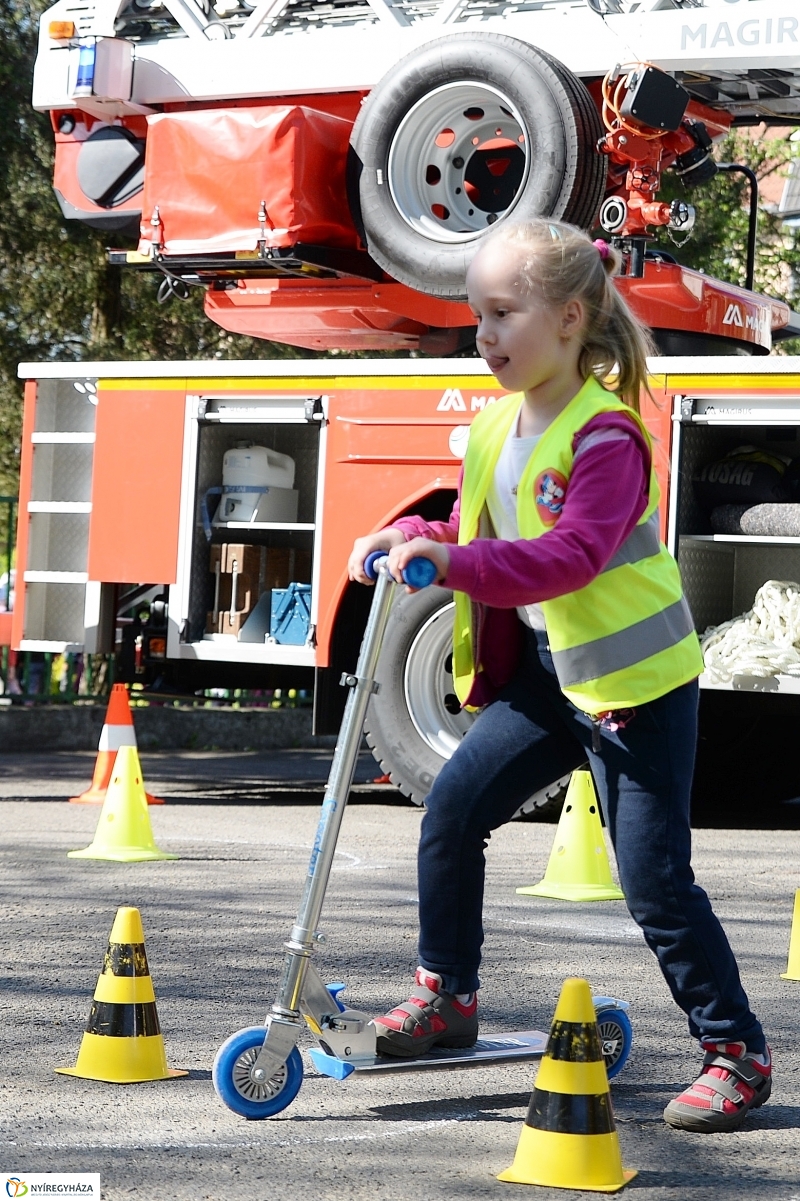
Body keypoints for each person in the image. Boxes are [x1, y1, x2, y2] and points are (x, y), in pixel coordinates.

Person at [348, 217, 771, 1134]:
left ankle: (736, 1050)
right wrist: (409, 536)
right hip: (552, 676)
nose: (484, 334)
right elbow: (473, 531)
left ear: (571, 318)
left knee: (654, 882)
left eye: (504, 313)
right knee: (452, 811)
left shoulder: (606, 436)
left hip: (637, 686)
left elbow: (569, 557)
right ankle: (446, 995)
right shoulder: (494, 425)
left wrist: (451, 564)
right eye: (477, 315)